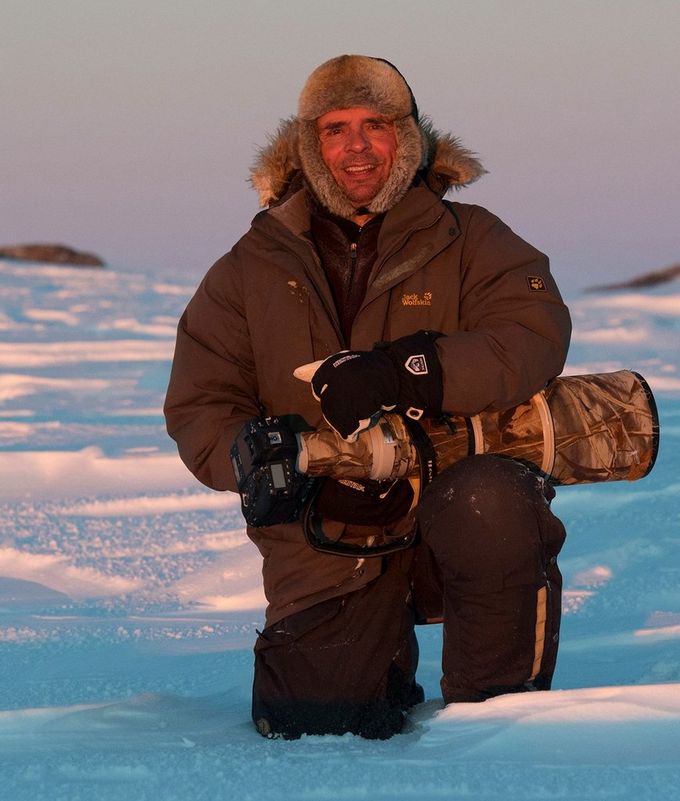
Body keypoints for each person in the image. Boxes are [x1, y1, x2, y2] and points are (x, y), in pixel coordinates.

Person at [164, 55, 572, 740]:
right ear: (308, 144)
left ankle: (499, 721)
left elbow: (533, 335)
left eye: (375, 125)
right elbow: (200, 402)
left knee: (492, 499)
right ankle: (370, 660)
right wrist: (277, 468)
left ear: (406, 138)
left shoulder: (468, 236)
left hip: (450, 493)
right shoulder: (252, 263)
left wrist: (407, 370)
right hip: (323, 528)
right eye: (334, 128)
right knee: (316, 722)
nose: (356, 147)